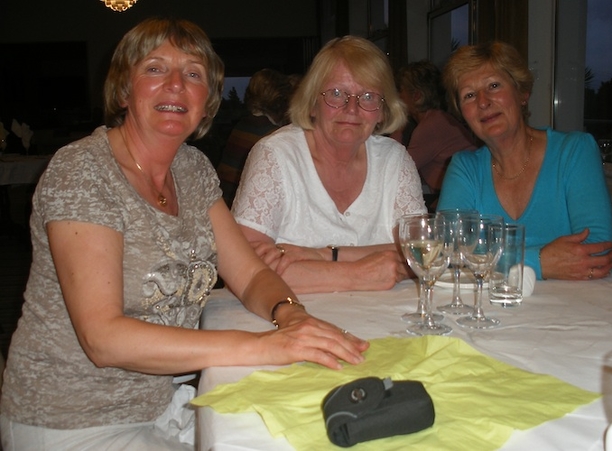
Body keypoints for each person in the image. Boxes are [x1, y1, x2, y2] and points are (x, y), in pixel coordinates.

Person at [0, 18, 368, 451]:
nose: (176, 84)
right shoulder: (81, 171)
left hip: (162, 405)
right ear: (123, 90)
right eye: (155, 69)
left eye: (193, 74)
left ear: (206, 102)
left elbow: (248, 275)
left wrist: (292, 315)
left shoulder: (191, 169)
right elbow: (103, 339)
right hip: (71, 422)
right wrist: (266, 345)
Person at [232, 35, 426, 294]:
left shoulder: (395, 159)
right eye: (336, 94)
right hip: (293, 323)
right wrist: (359, 274)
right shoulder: (275, 155)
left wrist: (325, 256)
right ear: (312, 103)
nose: (352, 109)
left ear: (382, 111)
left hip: (385, 324)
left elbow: (422, 254)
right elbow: (245, 267)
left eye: (368, 97)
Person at [437, 41, 612, 281]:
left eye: (494, 85)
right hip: (495, 310)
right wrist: (540, 261)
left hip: (580, 307)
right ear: (462, 114)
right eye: (469, 95)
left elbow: (598, 252)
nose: (482, 101)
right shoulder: (464, 168)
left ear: (522, 93)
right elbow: (451, 254)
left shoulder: (574, 152)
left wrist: (498, 261)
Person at [392, 59, 477, 206]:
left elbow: (395, 170)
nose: (398, 97)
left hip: (466, 198)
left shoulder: (430, 127)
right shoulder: (438, 119)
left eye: (401, 91)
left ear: (416, 96)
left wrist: (398, 124)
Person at [217, 68, 297, 207]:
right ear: (282, 100)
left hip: (223, 203)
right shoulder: (273, 137)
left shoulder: (241, 125)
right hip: (237, 208)